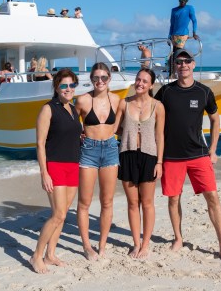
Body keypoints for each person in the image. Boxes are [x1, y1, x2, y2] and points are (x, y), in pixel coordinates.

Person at [154, 48, 221, 264]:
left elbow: (216, 119)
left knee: (212, 197)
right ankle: (179, 238)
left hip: (199, 154)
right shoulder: (165, 92)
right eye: (178, 62)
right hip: (172, 157)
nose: (182, 65)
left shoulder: (204, 92)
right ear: (174, 66)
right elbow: (149, 113)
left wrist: (213, 150)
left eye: (186, 61)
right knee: (174, 198)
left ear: (192, 64)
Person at [30, 69, 82, 274]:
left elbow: (71, 135)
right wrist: (44, 172)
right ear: (56, 87)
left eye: (72, 85)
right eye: (64, 85)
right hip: (56, 166)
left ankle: (50, 254)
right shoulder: (48, 109)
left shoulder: (73, 109)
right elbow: (40, 144)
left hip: (73, 165)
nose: (68, 89)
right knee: (58, 214)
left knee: (63, 214)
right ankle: (36, 255)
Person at [115, 68, 165, 259]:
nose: (140, 83)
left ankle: (146, 244)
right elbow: (114, 128)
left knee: (148, 202)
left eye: (144, 81)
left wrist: (159, 162)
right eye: (138, 80)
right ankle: (136, 243)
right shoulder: (124, 103)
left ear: (151, 85)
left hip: (149, 156)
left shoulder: (157, 106)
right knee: (132, 203)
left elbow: (160, 136)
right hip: (127, 155)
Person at [75, 62, 120, 260]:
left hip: (110, 149)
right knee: (84, 202)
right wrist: (78, 136)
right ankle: (86, 245)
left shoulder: (117, 100)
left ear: (109, 79)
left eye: (103, 78)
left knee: (107, 201)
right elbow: (71, 124)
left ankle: (102, 244)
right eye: (95, 78)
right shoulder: (83, 100)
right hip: (89, 151)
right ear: (91, 79)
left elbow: (122, 125)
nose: (99, 81)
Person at [168, 0, 198, 76]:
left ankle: (175, 72)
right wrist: (169, 37)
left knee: (177, 52)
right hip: (174, 35)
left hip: (183, 34)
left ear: (187, 1)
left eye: (184, 0)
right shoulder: (174, 10)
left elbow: (194, 20)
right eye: (181, 0)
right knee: (172, 53)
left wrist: (194, 33)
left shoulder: (189, 8)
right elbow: (172, 25)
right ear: (179, 0)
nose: (182, 2)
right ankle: (172, 72)